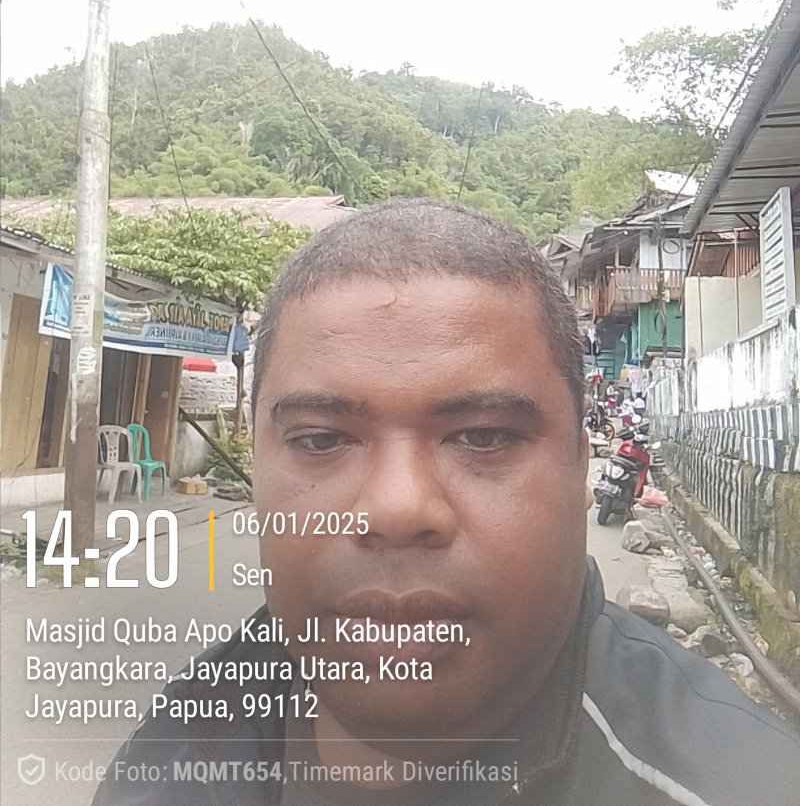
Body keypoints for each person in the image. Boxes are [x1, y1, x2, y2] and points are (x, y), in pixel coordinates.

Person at [95, 200, 800, 805]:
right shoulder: (169, 751)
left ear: (581, 467)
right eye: (321, 439)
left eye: (484, 436)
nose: (397, 509)